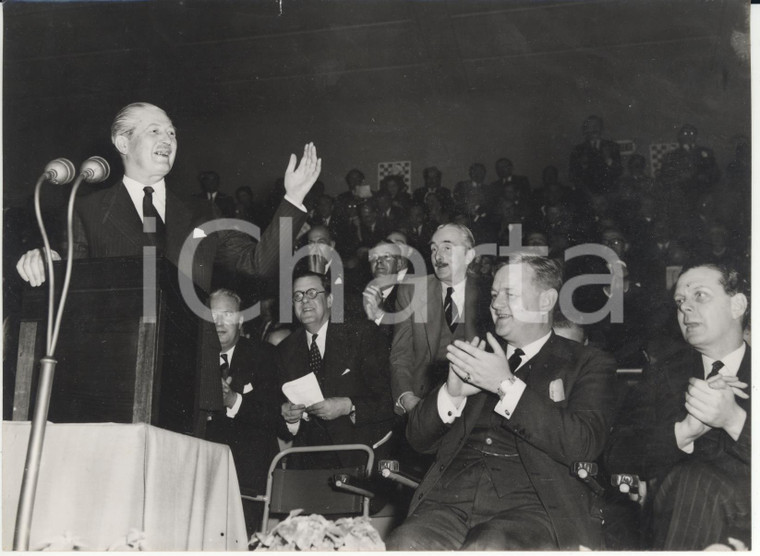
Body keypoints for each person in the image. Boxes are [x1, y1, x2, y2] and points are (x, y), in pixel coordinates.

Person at [15, 102, 321, 418]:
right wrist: (48, 261)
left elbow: (259, 262)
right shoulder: (88, 211)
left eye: (172, 133)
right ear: (123, 142)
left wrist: (293, 199)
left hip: (190, 382)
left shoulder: (202, 214)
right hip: (113, 379)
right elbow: (74, 286)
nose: (168, 139)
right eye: (155, 131)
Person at [385, 252, 617, 550]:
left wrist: (506, 385)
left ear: (546, 301)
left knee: (488, 546)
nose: (496, 304)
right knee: (403, 542)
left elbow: (583, 443)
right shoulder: (474, 354)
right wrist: (451, 394)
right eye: (494, 294)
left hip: (532, 511)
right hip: (450, 504)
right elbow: (417, 439)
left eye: (510, 294)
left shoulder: (588, 362)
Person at [604, 263, 750, 550]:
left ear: (738, 305)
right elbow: (616, 455)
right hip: (676, 516)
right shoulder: (662, 374)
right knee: (689, 480)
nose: (686, 309)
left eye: (700, 296)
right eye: (681, 302)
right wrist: (682, 433)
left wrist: (734, 420)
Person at [278, 271, 395, 468]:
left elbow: (388, 398)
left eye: (312, 293)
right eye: (297, 296)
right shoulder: (285, 349)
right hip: (307, 461)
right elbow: (277, 411)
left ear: (330, 300)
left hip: (357, 456)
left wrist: (348, 406)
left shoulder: (362, 334)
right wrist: (289, 418)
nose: (304, 300)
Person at [389, 223, 489, 416]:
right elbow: (401, 355)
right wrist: (406, 397)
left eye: (447, 247)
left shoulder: (489, 293)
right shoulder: (412, 291)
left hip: (477, 407)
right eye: (434, 248)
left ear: (469, 256)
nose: (438, 255)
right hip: (422, 403)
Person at [205, 288, 281, 534]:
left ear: (240, 320)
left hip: (248, 475)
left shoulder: (264, 355)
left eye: (227, 314)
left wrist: (233, 400)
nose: (219, 323)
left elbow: (274, 416)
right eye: (212, 315)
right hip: (204, 470)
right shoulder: (194, 356)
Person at [362, 240, 407, 342]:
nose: (379, 261)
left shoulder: (407, 297)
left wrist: (379, 314)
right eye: (375, 256)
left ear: (399, 264)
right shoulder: (359, 294)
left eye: (387, 256)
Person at [568, 115, 623, 197]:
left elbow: (618, 172)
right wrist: (583, 166)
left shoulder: (612, 147)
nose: (594, 129)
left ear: (602, 129)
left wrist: (608, 159)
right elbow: (573, 177)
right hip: (587, 197)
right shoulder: (578, 150)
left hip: (608, 196)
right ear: (585, 130)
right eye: (591, 126)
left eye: (597, 126)